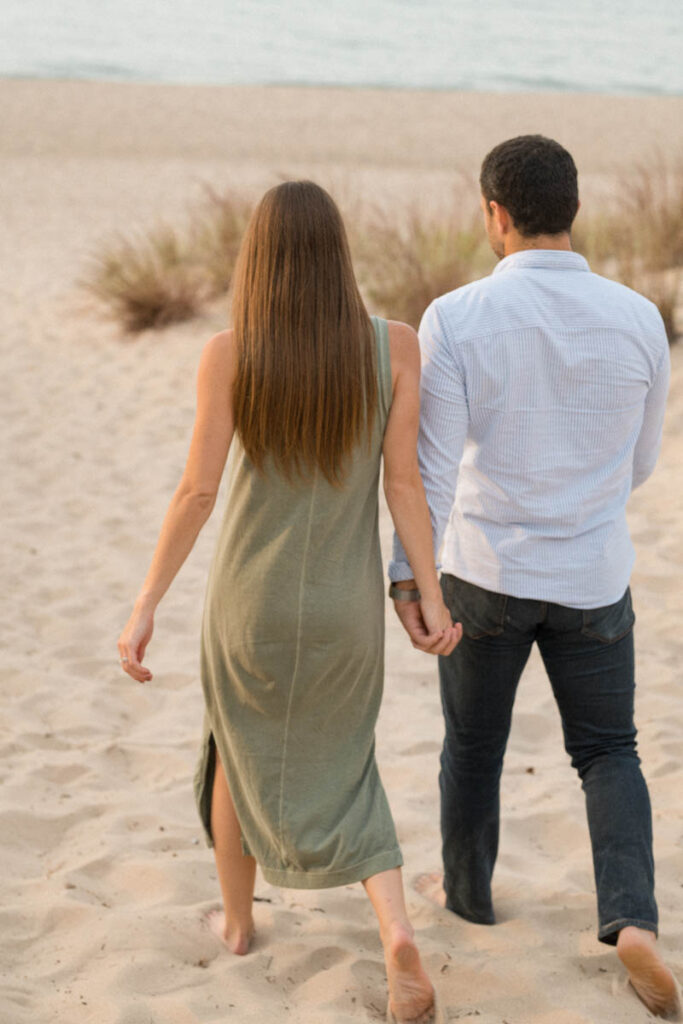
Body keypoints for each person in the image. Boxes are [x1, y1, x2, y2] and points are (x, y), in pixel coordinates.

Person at [117, 180, 460, 1023]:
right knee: (348, 762)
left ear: (258, 260)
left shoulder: (229, 352)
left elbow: (197, 492)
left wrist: (146, 601)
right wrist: (430, 595)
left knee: (236, 751)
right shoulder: (395, 346)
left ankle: (237, 925)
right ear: (339, 254)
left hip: (247, 603)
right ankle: (394, 933)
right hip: (344, 608)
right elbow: (405, 485)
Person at [389, 136, 681, 1019]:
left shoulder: (457, 315)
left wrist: (411, 579)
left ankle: (468, 897)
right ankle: (631, 921)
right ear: (573, 210)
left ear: (494, 213)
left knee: (472, 746)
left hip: (486, 572)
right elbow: (640, 462)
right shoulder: (637, 316)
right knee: (608, 751)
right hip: (592, 572)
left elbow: (429, 470)